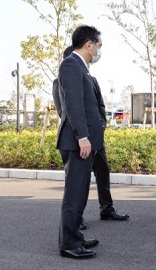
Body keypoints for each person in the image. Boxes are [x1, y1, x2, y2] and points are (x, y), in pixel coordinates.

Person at [53, 46, 129, 232]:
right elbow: (64, 110)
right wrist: (80, 134)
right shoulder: (62, 78)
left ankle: (106, 208)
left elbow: (99, 106)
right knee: (78, 182)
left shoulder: (91, 79)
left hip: (94, 137)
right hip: (78, 139)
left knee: (103, 171)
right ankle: (76, 221)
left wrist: (100, 126)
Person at [56, 25, 105, 259]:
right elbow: (74, 104)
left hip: (84, 141)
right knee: (74, 195)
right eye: (99, 46)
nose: (99, 50)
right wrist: (83, 137)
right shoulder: (70, 65)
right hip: (76, 141)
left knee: (82, 192)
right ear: (89, 45)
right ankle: (69, 244)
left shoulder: (82, 68)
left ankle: (76, 236)